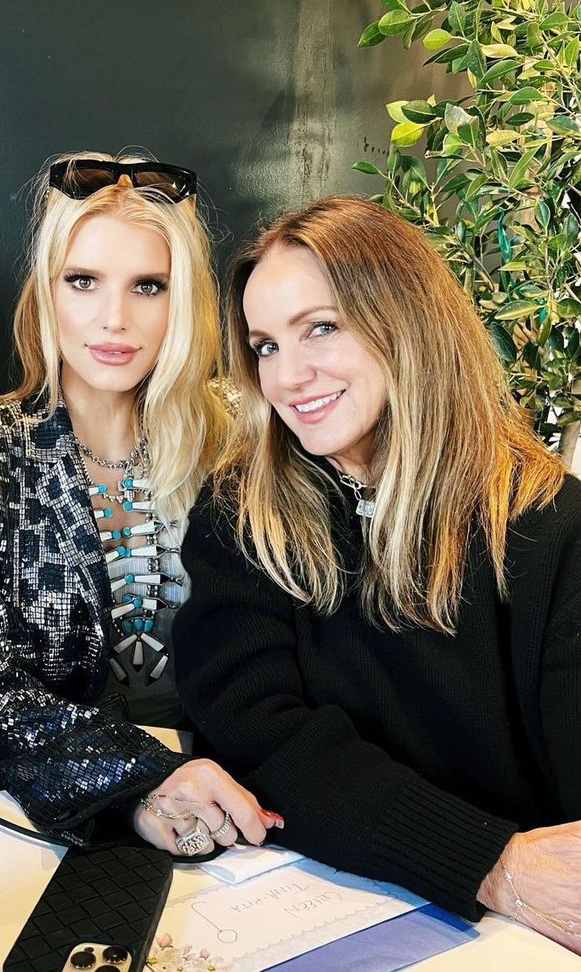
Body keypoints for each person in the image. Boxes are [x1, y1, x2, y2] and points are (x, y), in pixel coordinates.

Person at [173, 193, 581, 949]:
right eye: (264, 345)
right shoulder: (241, 513)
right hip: (298, 913)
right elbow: (251, 733)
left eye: (320, 327)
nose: (288, 376)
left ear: (407, 322)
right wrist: (485, 859)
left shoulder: (550, 524)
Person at [0, 152, 278, 856]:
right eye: (83, 281)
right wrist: (139, 779)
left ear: (185, 300)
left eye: (148, 285)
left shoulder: (241, 434)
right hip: (64, 822)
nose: (114, 319)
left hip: (249, 802)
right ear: (47, 293)